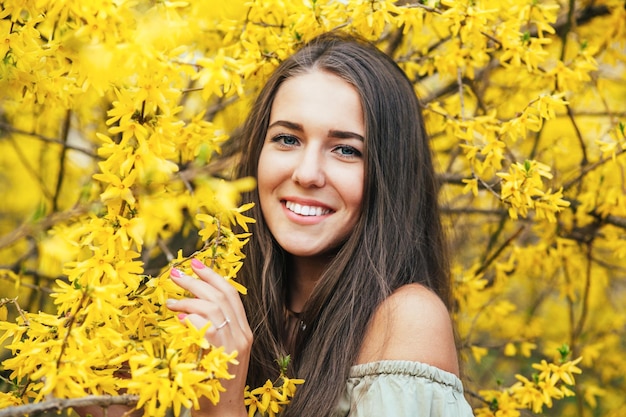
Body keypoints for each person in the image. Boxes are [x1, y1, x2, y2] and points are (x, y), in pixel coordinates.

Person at [80, 31, 475, 417]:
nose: (307, 174)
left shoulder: (406, 321)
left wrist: (223, 404)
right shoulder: (229, 311)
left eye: (345, 149)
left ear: (391, 173)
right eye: (287, 139)